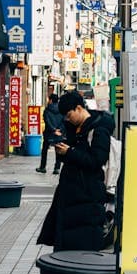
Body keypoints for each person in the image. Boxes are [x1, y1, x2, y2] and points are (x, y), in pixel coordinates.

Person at [37, 90, 115, 252]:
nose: (67, 118)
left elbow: (96, 161)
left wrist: (70, 152)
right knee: (66, 242)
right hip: (70, 194)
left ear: (79, 108)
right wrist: (63, 151)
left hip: (87, 195)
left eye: (68, 114)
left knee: (82, 245)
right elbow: (76, 158)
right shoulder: (74, 128)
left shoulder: (98, 129)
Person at [36, 92, 63, 174]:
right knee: (58, 150)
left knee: (44, 150)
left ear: (51, 100)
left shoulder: (47, 110)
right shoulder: (61, 110)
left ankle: (43, 167)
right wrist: (59, 130)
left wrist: (53, 129)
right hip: (59, 133)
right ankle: (57, 168)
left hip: (49, 132)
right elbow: (64, 121)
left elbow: (47, 121)